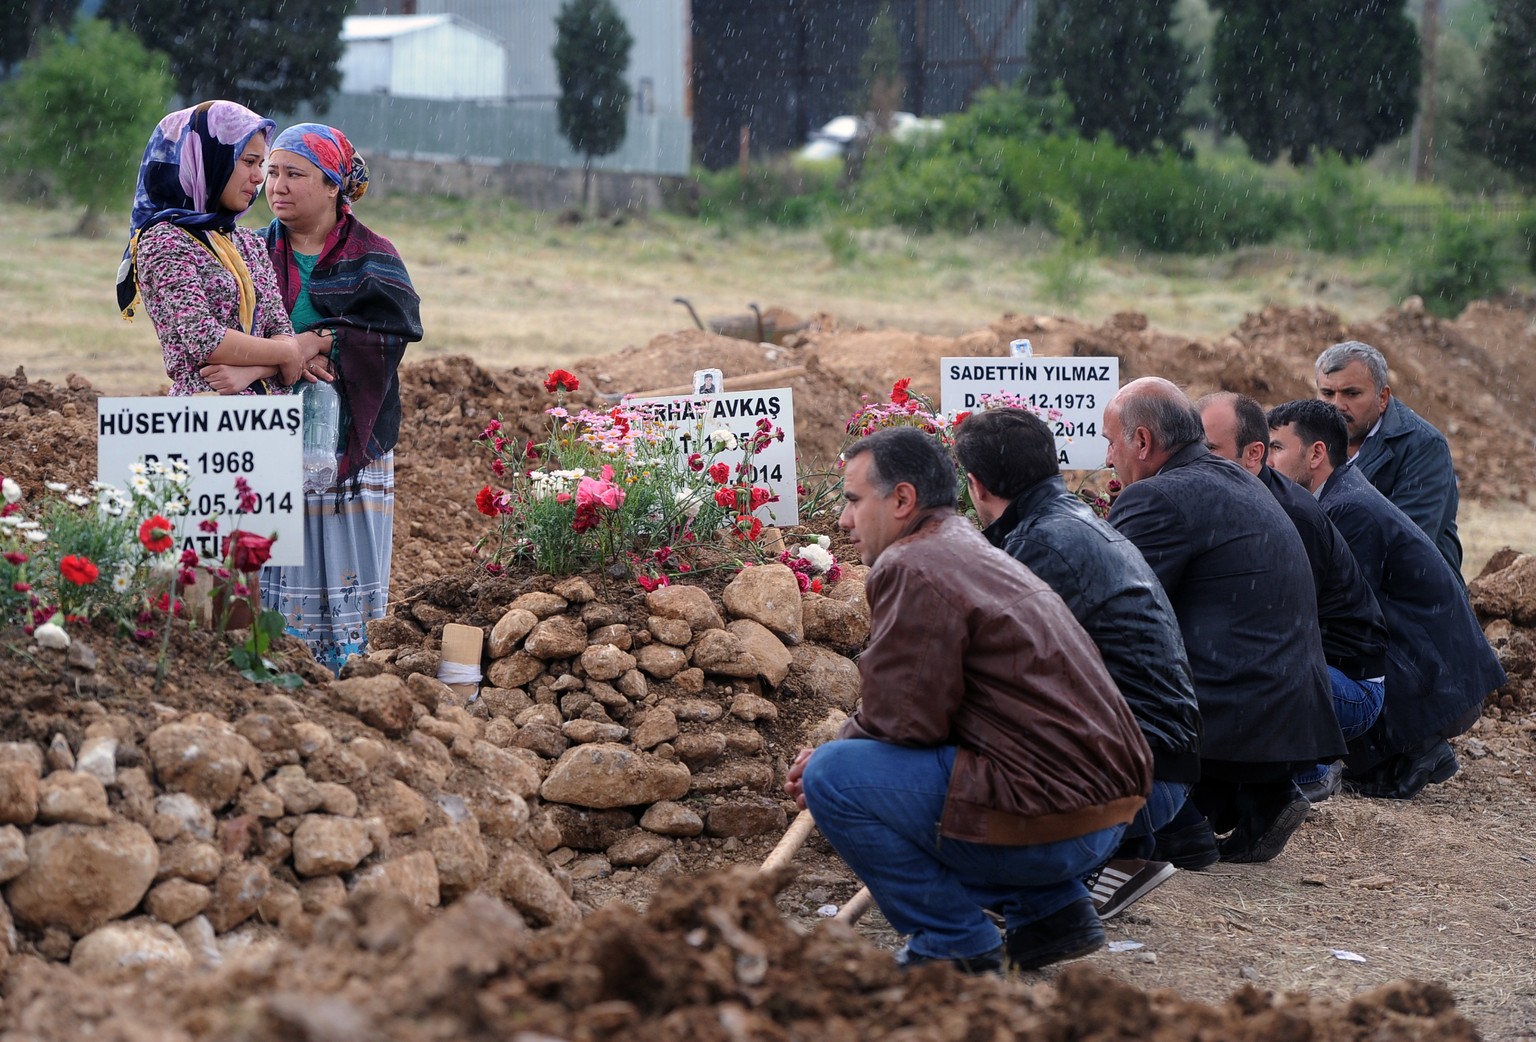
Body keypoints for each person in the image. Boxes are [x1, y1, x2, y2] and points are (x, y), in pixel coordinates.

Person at [784, 427, 1152, 974]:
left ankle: (952, 939)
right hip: (1109, 815)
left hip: (1054, 816)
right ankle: (1050, 912)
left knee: (836, 776)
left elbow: (903, 719)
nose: (842, 521)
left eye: (854, 501)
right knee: (873, 768)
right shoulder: (970, 548)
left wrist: (831, 756)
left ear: (903, 499)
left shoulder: (913, 564)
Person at [954, 407, 1200, 918]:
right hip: (1164, 766)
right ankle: (1115, 854)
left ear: (976, 486)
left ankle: (1063, 875)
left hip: (1142, 779)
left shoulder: (1041, 547)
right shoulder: (1065, 523)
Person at [1105, 378, 1344, 866]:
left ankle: (1176, 820)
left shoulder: (1158, 498)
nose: (1108, 458)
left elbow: (1112, 609)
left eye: (1111, 442)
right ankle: (1248, 797)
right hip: (1286, 715)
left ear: (1143, 442)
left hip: (1230, 716)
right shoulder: (1235, 479)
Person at [1266, 399, 1505, 799]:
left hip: (1435, 673)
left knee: (1318, 652)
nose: (1267, 460)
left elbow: (1342, 616)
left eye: (1276, 447)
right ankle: (1405, 752)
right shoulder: (1339, 495)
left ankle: (1416, 747)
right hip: (1433, 663)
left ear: (1316, 454)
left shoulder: (1346, 510)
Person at [255, 123, 424, 674]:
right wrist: (293, 354)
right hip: (268, 436)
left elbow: (395, 331)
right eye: (271, 172)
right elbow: (222, 329)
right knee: (273, 553)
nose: (275, 185)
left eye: (293, 174)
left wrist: (325, 338)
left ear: (333, 187)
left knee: (342, 560)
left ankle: (347, 673)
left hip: (351, 438)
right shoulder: (249, 253)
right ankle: (276, 665)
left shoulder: (374, 256)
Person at [1197, 392, 1389, 803]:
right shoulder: (1247, 498)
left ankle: (1307, 769)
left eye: (1210, 450)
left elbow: (1283, 630)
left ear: (1252, 456)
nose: (1198, 462)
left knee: (1239, 681)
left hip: (1347, 685)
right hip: (1318, 670)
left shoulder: (1289, 514)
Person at [120, 100, 314, 396]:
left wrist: (259, 365)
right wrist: (285, 354)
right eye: (248, 161)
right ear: (209, 161)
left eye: (260, 164)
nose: (259, 177)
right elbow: (206, 339)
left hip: (271, 421)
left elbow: (282, 332)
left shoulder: (247, 243)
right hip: (206, 418)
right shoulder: (164, 240)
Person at [1314, 341, 1462, 575]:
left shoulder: (1423, 446)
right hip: (1340, 587)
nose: (1337, 406)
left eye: (1352, 394)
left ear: (1382, 397)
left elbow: (1406, 543)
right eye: (1327, 393)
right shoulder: (1309, 440)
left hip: (1410, 599)